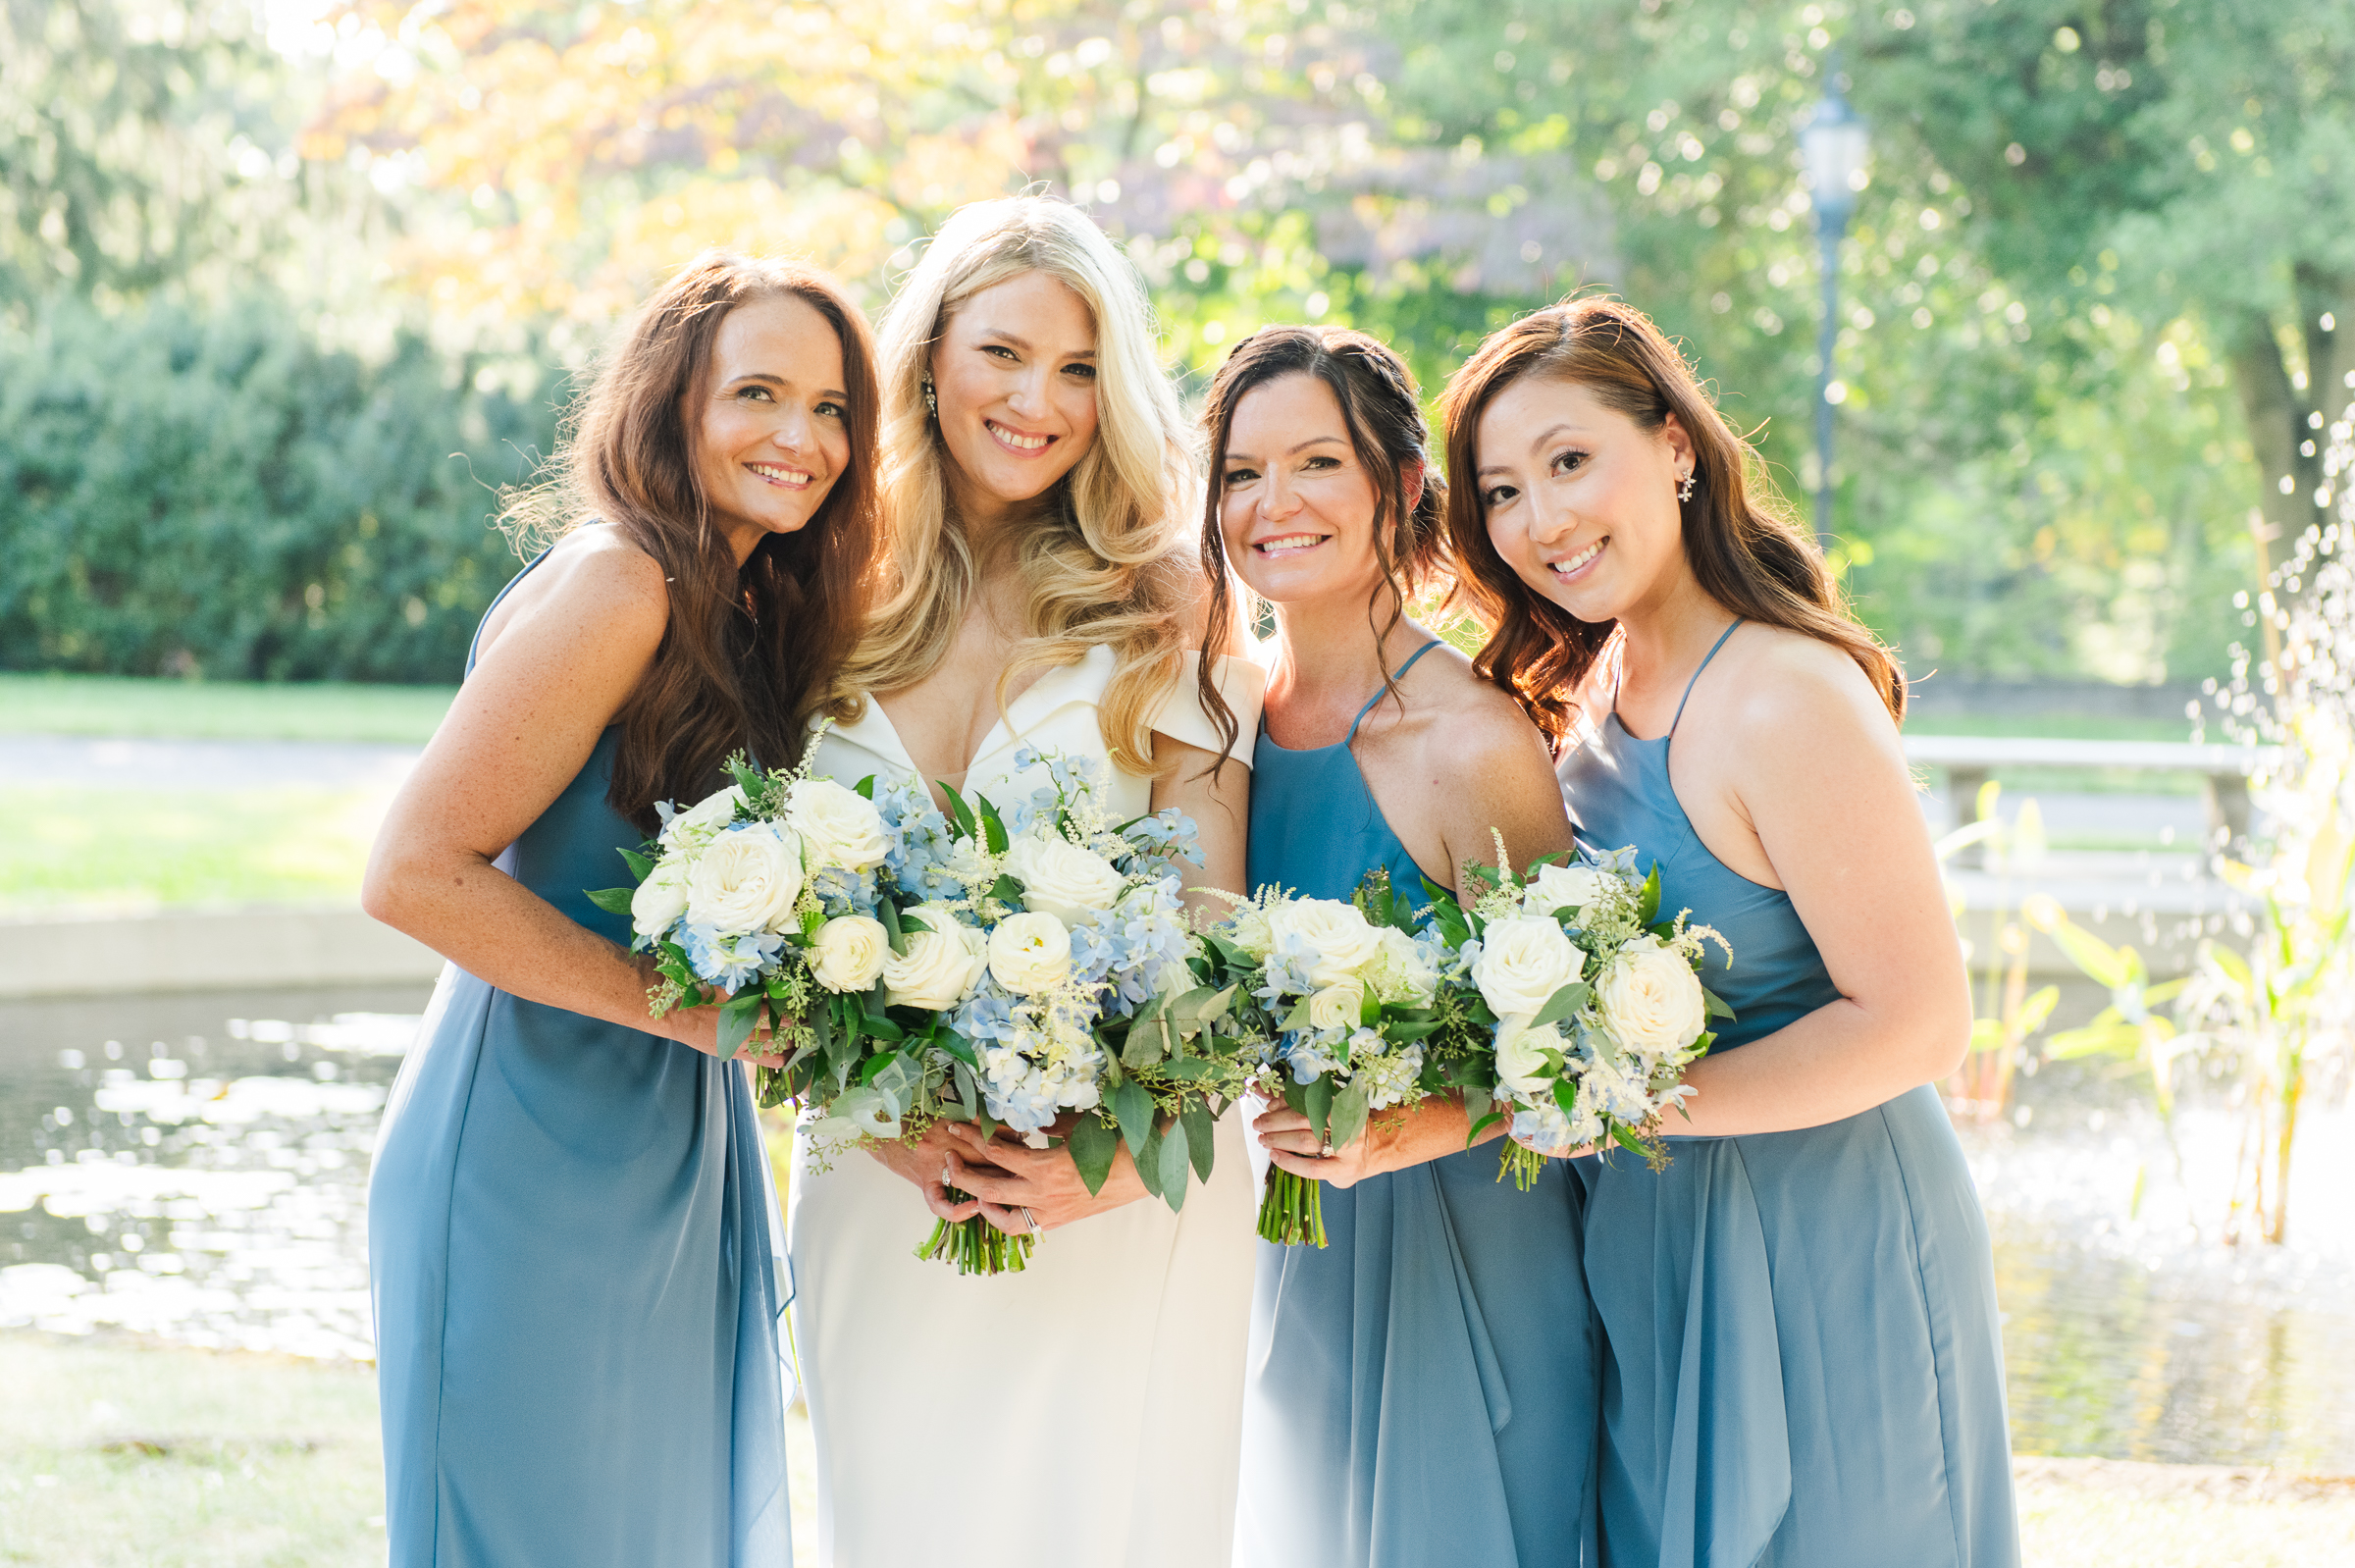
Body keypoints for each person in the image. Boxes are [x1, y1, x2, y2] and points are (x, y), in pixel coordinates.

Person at [1440, 295, 2017, 1567]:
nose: (1541, 519)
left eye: (1570, 460)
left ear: (1679, 446)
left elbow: (1921, 1022)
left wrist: (1629, 1104)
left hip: (1826, 1238)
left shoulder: (1783, 697)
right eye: (1501, 492)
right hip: (1656, 1241)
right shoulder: (1584, 698)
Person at [365, 253, 881, 1567]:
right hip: (532, 1143)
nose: (802, 437)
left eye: (832, 407)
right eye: (757, 392)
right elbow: (414, 869)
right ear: (669, 403)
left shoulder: (736, 604)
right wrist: (695, 1013)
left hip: (669, 1136)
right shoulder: (620, 583)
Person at [785, 196, 1263, 1568]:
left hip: (1110, 1179)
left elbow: (1211, 933)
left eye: (1076, 372)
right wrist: (882, 1120)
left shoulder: (1171, 599)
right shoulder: (824, 587)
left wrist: (1097, 1168)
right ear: (929, 357)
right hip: (882, 1177)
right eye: (1002, 354)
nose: (1037, 403)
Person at [1201, 325, 1598, 1568]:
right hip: (1284, 1243)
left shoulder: (1469, 743)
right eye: (1239, 471)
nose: (1274, 504)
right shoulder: (1217, 723)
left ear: (1403, 488)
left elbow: (1582, 1052)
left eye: (1316, 462)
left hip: (1468, 1254)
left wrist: (1424, 1121)